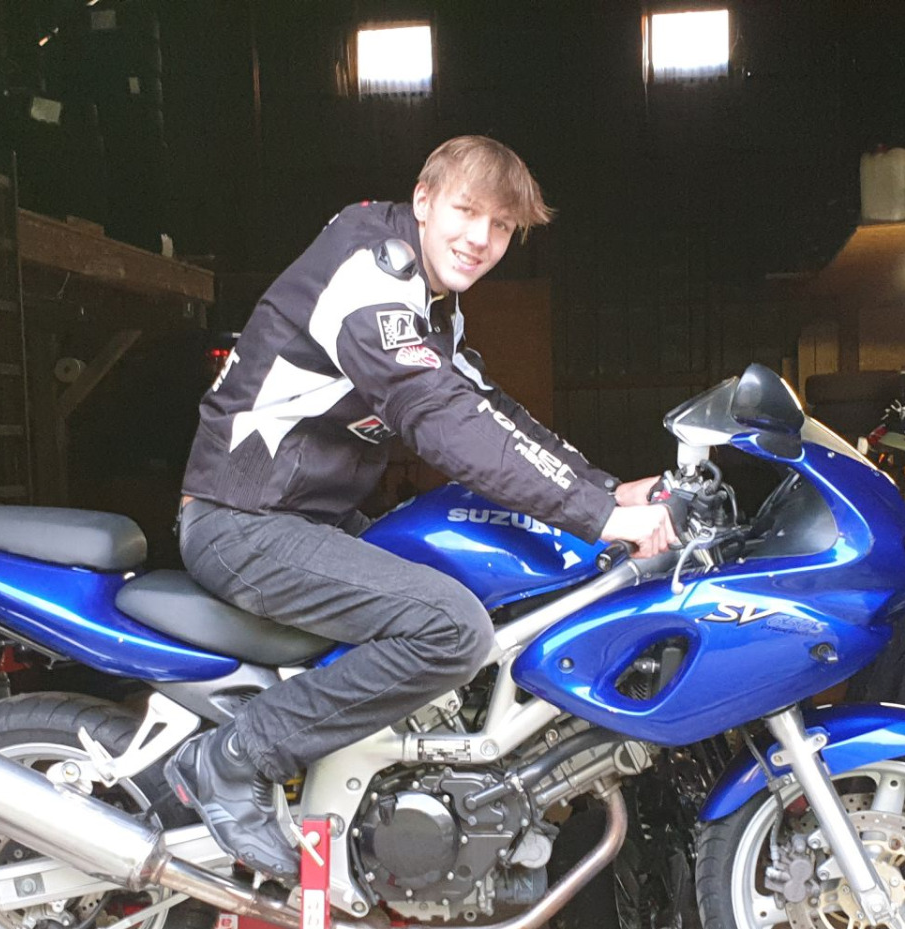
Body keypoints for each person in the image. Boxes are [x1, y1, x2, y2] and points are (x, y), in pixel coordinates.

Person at [168, 135, 677, 880]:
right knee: (451, 629)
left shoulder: (433, 308)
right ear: (424, 199)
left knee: (487, 591)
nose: (480, 238)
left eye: (501, 226)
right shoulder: (369, 271)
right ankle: (233, 758)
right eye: (467, 211)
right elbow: (439, 415)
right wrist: (598, 518)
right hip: (243, 520)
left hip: (306, 520)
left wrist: (608, 491)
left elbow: (490, 409)